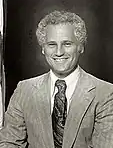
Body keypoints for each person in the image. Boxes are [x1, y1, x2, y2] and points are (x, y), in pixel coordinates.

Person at [0, 10, 113, 148]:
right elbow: (9, 143)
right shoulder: (24, 90)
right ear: (43, 49)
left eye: (67, 44)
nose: (59, 52)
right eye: (52, 44)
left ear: (81, 46)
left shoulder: (106, 93)